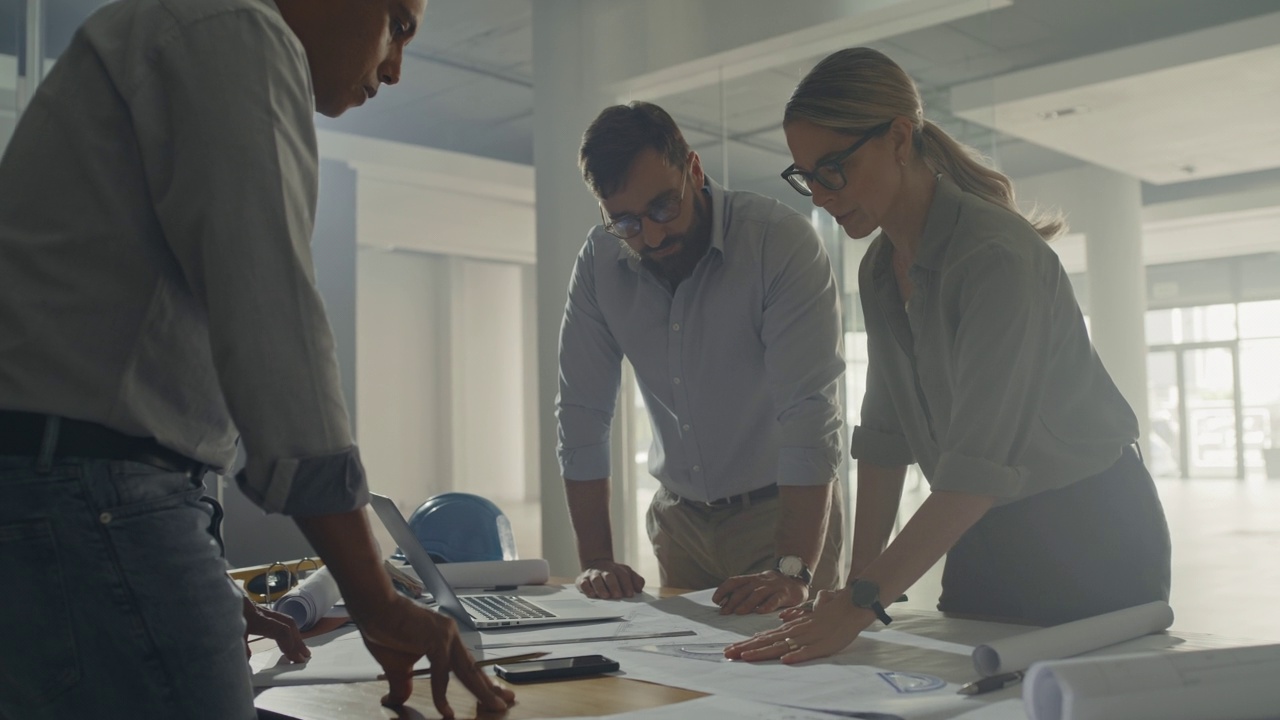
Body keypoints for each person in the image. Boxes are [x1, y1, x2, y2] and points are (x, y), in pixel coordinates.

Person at [0, 0, 514, 717]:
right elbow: (277, 335)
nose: (396, 68)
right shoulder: (234, 27)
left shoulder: (168, 27)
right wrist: (377, 601)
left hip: (63, 503)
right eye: (397, 22)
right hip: (99, 504)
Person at [726, 47, 1172, 663]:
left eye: (833, 169)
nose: (820, 196)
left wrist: (861, 603)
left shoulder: (994, 258)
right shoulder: (881, 267)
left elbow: (975, 470)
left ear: (899, 139)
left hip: (1089, 529)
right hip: (981, 531)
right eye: (806, 176)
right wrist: (850, 589)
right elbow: (884, 439)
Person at [558, 101, 847, 615]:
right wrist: (597, 557)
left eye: (664, 208)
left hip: (780, 516)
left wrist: (793, 567)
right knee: (687, 684)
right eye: (625, 222)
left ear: (693, 169)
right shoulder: (599, 261)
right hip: (679, 525)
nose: (651, 236)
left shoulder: (777, 243)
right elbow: (582, 412)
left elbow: (810, 414)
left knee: (791, 681)